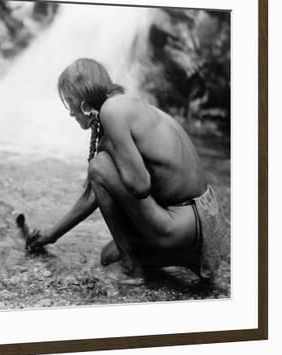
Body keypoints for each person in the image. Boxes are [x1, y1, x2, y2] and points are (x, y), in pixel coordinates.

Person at [26, 58, 223, 281]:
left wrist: (108, 149)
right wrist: (50, 236)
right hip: (205, 222)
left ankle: (132, 268)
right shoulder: (125, 104)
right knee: (109, 257)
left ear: (84, 101)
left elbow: (140, 185)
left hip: (185, 223)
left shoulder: (112, 111)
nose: (70, 112)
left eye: (70, 101)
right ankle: (180, 259)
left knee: (99, 165)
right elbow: (93, 195)